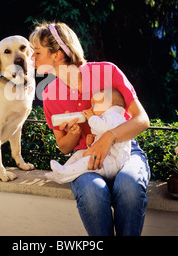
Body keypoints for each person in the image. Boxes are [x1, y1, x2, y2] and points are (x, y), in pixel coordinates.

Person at [29, 22, 151, 236]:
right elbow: (64, 147)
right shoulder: (49, 94)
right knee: (93, 192)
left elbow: (142, 120)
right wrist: (74, 134)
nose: (32, 58)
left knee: (129, 186)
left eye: (37, 52)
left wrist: (108, 138)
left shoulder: (107, 71)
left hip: (126, 150)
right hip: (83, 156)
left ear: (57, 55)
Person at [45, 88, 131, 184]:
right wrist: (91, 142)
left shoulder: (115, 116)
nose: (91, 108)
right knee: (79, 154)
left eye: (95, 105)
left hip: (112, 162)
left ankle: (65, 174)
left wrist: (91, 118)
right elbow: (100, 140)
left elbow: (104, 129)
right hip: (103, 156)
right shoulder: (105, 118)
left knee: (87, 160)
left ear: (111, 106)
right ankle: (62, 171)